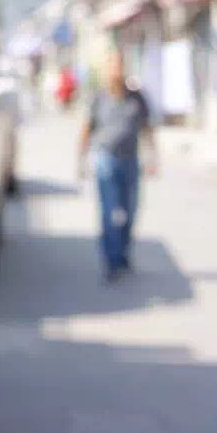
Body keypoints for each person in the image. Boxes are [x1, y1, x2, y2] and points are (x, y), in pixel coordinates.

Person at [77, 50, 158, 283]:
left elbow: (147, 129)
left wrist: (153, 157)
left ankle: (123, 253)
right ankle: (111, 260)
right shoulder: (99, 97)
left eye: (120, 65)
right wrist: (81, 160)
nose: (117, 70)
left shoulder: (136, 97)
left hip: (130, 160)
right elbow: (86, 129)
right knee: (109, 211)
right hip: (106, 160)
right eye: (113, 66)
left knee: (130, 210)